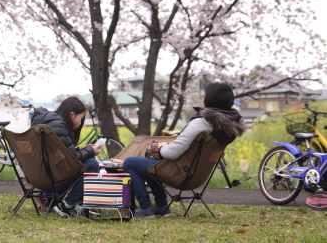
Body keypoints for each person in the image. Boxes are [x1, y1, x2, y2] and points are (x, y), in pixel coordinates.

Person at [123, 82, 246, 218]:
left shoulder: (201, 122)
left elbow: (172, 153)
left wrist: (158, 148)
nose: (201, 98)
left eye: (203, 96)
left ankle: (146, 207)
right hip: (197, 176)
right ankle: (161, 206)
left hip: (180, 173)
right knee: (148, 162)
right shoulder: (227, 128)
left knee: (129, 162)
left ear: (210, 99)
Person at [30, 97, 103, 217]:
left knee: (87, 162)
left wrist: (82, 149)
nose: (80, 123)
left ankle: (48, 195)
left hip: (37, 171)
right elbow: (72, 159)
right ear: (72, 114)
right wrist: (90, 150)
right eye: (81, 118)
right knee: (92, 164)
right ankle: (69, 204)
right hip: (50, 174)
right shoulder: (59, 124)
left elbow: (59, 152)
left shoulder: (50, 121)